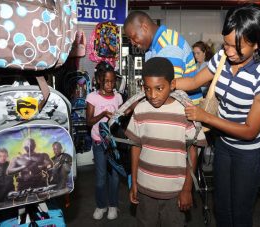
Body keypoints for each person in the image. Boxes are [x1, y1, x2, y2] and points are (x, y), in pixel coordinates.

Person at [174, 4, 260, 227]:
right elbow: (193, 81)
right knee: (221, 207)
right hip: (224, 144)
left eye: (236, 46)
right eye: (226, 43)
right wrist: (168, 83)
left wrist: (206, 117)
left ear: (257, 43)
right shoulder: (222, 57)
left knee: (239, 212)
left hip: (249, 153)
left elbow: (250, 131)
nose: (228, 51)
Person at [125, 57, 206, 226]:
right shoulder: (140, 110)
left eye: (159, 88)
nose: (152, 95)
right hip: (145, 189)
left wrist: (186, 188)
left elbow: (193, 150)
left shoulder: (186, 112)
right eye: (147, 89)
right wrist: (134, 182)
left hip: (175, 191)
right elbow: (135, 147)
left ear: (173, 84)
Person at [124, 11, 203, 105]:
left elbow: (167, 89)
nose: (132, 43)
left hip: (185, 109)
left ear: (144, 27)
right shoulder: (152, 48)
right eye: (130, 40)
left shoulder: (169, 45)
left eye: (133, 37)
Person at [86, 61, 123, 220]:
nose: (110, 84)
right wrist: (103, 114)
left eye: (112, 81)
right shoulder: (92, 97)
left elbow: (121, 119)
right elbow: (89, 121)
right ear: (99, 80)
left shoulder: (119, 97)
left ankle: (113, 205)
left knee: (114, 177)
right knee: (101, 178)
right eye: (106, 81)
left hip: (113, 144)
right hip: (99, 143)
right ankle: (101, 205)